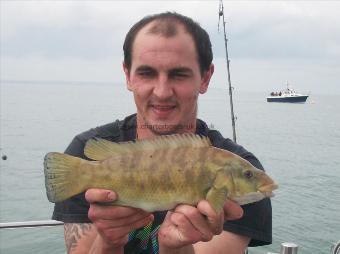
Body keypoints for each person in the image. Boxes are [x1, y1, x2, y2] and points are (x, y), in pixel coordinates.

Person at [52, 12, 272, 254]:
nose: (162, 91)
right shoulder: (83, 157)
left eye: (179, 74)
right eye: (147, 73)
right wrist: (109, 241)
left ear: (206, 78)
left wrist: (174, 247)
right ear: (128, 76)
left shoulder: (243, 170)